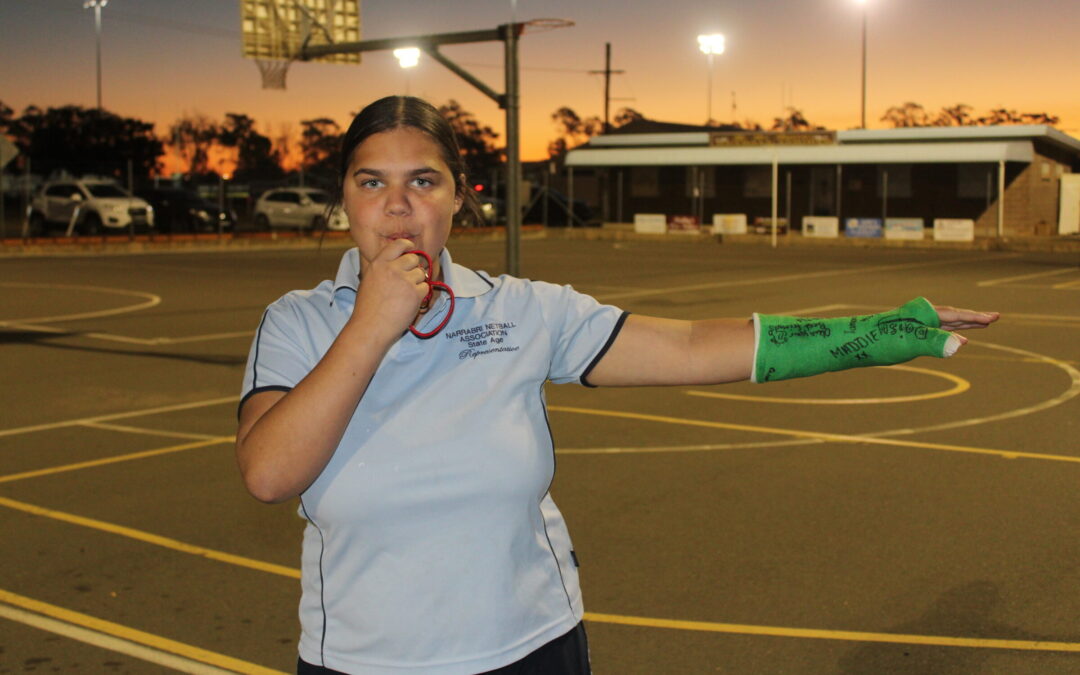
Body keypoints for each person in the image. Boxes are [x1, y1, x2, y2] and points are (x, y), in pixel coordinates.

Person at [236, 96, 999, 675]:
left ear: (459, 197)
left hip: (534, 648)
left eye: (423, 181)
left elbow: (697, 345)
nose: (398, 205)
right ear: (345, 199)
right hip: (368, 663)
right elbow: (269, 472)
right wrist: (371, 323)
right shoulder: (298, 324)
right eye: (373, 182)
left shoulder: (525, 311)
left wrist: (883, 331)